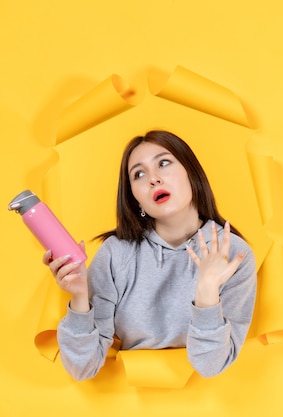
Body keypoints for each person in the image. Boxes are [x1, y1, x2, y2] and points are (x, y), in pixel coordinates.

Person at [43, 130, 257, 381]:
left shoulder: (233, 254)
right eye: (139, 174)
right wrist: (80, 297)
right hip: (127, 400)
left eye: (163, 163)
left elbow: (210, 365)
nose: (153, 179)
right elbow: (82, 368)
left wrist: (207, 292)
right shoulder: (116, 253)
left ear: (191, 172)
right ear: (136, 199)